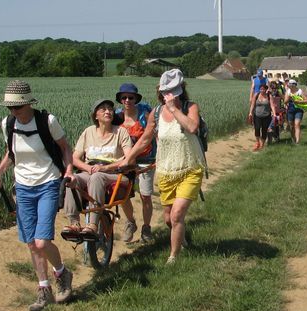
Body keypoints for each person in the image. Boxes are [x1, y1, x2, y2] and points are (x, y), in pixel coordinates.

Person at [0, 80, 75, 311]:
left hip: (48, 183)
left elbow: (65, 148)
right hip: (23, 188)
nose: (13, 111)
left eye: (16, 107)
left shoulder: (47, 121)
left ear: (28, 104)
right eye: (10, 107)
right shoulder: (7, 123)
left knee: (41, 241)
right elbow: (11, 152)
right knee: (31, 243)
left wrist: (68, 171)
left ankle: (62, 273)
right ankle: (43, 289)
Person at [120, 69, 206, 265]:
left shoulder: (190, 107)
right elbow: (144, 140)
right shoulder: (156, 113)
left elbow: (192, 127)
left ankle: (173, 257)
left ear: (181, 90)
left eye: (174, 91)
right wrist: (128, 159)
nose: (170, 95)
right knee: (169, 219)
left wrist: (175, 109)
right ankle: (181, 237)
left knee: (176, 215)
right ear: (160, 92)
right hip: (166, 171)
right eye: (166, 91)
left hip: (190, 168)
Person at [62, 99, 132, 240]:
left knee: (97, 177)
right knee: (71, 179)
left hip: (115, 174)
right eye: (103, 109)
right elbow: (74, 158)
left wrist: (104, 167)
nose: (108, 112)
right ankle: (74, 223)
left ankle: (92, 224)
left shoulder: (121, 132)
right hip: (91, 171)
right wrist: (87, 167)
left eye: (110, 109)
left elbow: (129, 158)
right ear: (95, 115)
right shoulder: (88, 132)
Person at [113, 83, 156, 243]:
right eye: (123, 97)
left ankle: (146, 227)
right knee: (123, 195)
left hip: (146, 161)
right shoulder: (117, 116)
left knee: (145, 195)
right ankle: (131, 222)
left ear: (136, 99)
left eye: (130, 97)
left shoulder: (145, 113)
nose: (127, 100)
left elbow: (153, 134)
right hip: (126, 163)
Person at [249, 82, 277, 151]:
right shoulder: (256, 95)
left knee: (264, 130)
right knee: (257, 129)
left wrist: (274, 113)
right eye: (260, 89)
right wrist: (250, 113)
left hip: (266, 116)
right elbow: (252, 104)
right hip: (257, 115)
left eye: (263, 89)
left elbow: (272, 105)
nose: (262, 90)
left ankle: (262, 144)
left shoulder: (268, 96)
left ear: (266, 90)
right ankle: (257, 142)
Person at [284, 79, 306, 144]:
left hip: (299, 109)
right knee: (291, 126)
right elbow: (285, 101)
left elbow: (306, 100)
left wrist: (299, 101)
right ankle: (293, 138)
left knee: (297, 124)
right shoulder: (288, 92)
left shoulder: (300, 91)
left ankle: (297, 141)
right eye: (289, 85)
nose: (289, 86)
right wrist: (288, 98)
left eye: (290, 85)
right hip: (290, 109)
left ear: (294, 85)